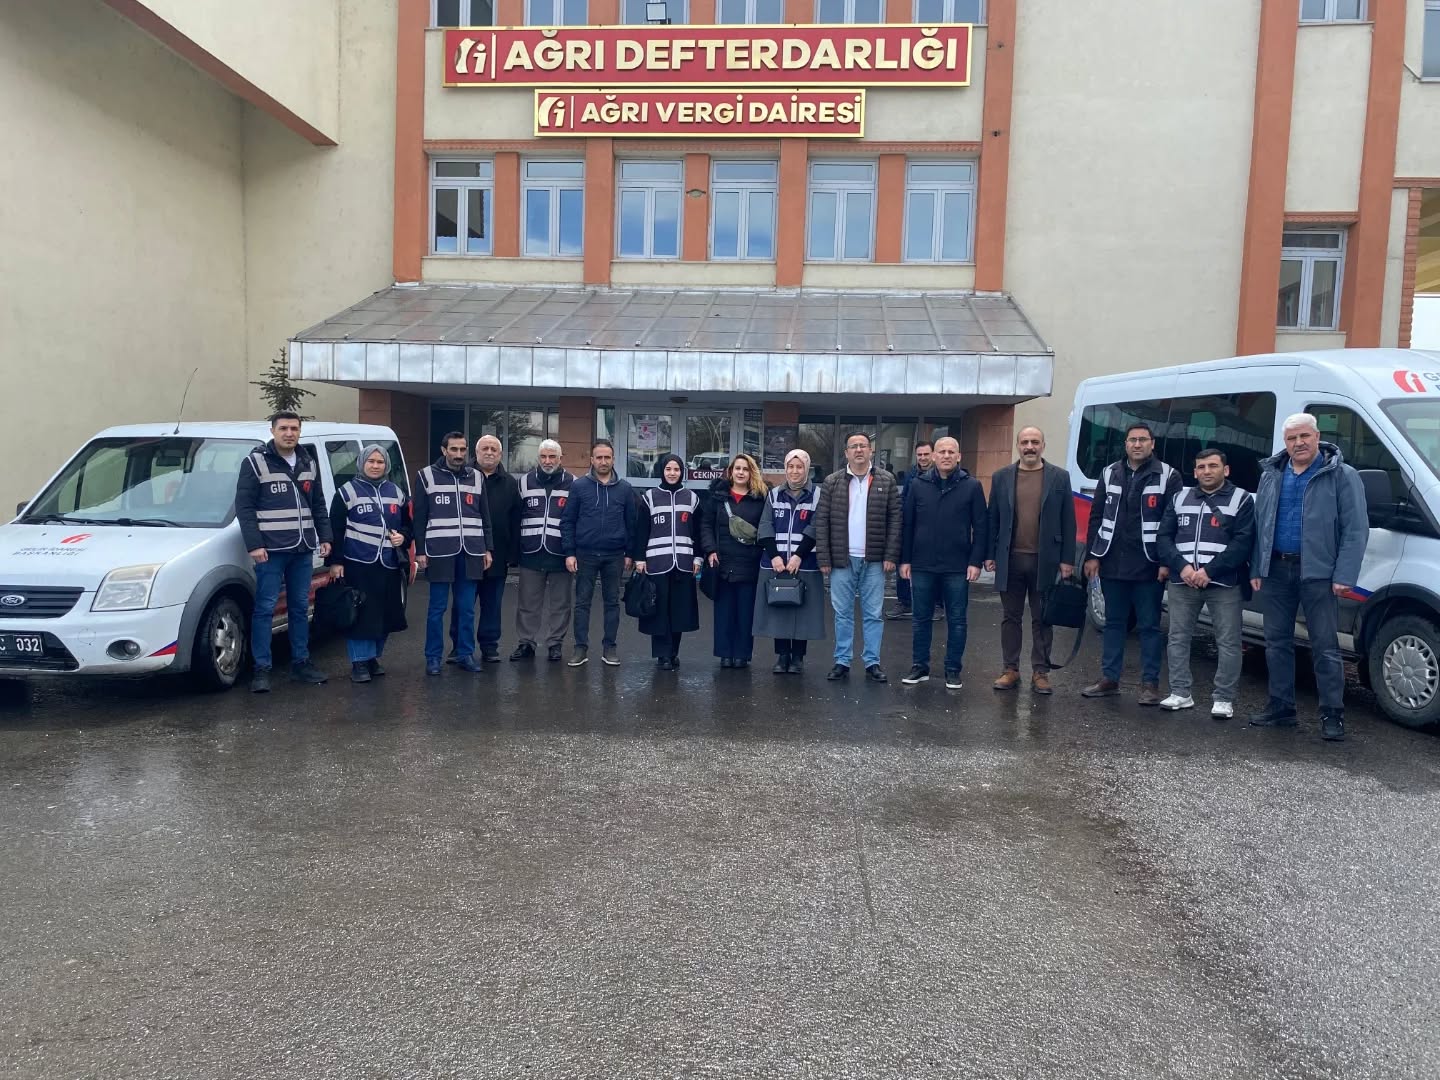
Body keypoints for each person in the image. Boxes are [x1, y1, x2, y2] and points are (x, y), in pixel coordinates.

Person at [1248, 413, 1368, 741]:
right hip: (1276, 570)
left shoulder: (1342, 475)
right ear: (1285, 442)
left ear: (1317, 437)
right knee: (1276, 642)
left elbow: (1356, 530)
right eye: (1292, 438)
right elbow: (1260, 524)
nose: (1298, 443)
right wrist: (1257, 566)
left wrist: (1345, 574)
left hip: (1319, 573)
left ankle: (1332, 714)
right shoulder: (1272, 474)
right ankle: (1281, 708)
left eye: (1304, 436)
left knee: (1325, 646)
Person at [1081, 422, 1182, 703]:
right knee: (1114, 623)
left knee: (1149, 626)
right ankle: (1109, 678)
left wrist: (1166, 562)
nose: (1137, 444)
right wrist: (1092, 555)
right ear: (1125, 444)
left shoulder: (1168, 475)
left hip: (1149, 564)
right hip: (1112, 561)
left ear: (1152, 443)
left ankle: (1150, 685)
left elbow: (1172, 522)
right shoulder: (1109, 472)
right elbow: (1096, 516)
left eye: (1142, 440)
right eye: (1132, 440)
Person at [235, 410, 333, 693]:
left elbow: (318, 504)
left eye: (294, 428)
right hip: (271, 550)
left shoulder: (307, 461)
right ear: (272, 431)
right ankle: (261, 669)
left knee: (300, 607)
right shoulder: (255, 462)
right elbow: (244, 506)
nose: (289, 433)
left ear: (300, 431)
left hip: (302, 549)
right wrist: (254, 544)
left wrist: (325, 536)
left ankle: (301, 663)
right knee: (265, 609)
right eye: (283, 428)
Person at [1156, 448, 1256, 718]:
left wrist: (1209, 571)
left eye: (1213, 466)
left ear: (1226, 470)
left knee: (1229, 642)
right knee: (1177, 638)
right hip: (1183, 581)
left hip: (1224, 583)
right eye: (1201, 467)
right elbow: (1164, 537)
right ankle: (1180, 692)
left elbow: (1243, 543)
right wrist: (1182, 567)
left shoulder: (1242, 499)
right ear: (1195, 471)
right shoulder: (1179, 497)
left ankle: (1224, 698)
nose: (1206, 471)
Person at [984, 426, 1076, 695]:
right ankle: (1010, 669)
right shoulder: (1001, 477)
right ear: (1018, 445)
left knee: (1042, 618)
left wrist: (1067, 559)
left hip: (1045, 560)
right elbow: (993, 518)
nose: (1030, 447)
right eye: (1025, 442)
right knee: (1010, 617)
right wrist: (990, 553)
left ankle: (1040, 672)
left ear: (1043, 445)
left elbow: (1068, 521)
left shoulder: (1059, 477)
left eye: (1035, 442)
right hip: (1010, 559)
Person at [899, 436, 988, 690]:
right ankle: (920, 666)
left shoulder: (972, 486)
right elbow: (908, 524)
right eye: (942, 451)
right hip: (922, 564)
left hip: (957, 566)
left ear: (959, 456)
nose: (946, 455)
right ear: (934, 456)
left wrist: (976, 561)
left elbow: (981, 526)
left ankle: (953, 669)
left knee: (957, 620)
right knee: (920, 619)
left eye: (951, 452)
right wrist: (905, 559)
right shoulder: (918, 485)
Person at [814, 432, 902, 683]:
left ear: (871, 450)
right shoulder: (832, 482)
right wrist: (824, 558)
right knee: (842, 613)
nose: (859, 450)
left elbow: (895, 520)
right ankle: (842, 660)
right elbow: (822, 521)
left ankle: (872, 662)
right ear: (846, 453)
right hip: (842, 559)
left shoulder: (886, 479)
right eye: (854, 446)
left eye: (863, 445)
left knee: (873, 613)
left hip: (874, 559)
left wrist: (890, 555)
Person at [326, 445, 411, 684]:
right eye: (371, 461)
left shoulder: (396, 492)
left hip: (389, 564)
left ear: (386, 465)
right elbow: (335, 529)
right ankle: (359, 663)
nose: (375, 466)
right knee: (362, 615)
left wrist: (404, 537)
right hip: (358, 563)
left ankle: (373, 657)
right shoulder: (347, 492)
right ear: (361, 463)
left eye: (380, 462)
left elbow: (408, 524)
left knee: (385, 615)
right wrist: (336, 562)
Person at [412, 431, 493, 675]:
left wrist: (487, 549)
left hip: (471, 551)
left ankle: (465, 654)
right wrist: (420, 550)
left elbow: (485, 516)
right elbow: (419, 518)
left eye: (462, 449)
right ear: (443, 450)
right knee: (437, 608)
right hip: (439, 551)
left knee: (466, 608)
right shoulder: (426, 476)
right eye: (454, 449)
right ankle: (433, 657)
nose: (459, 454)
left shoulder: (476, 477)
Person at [560, 439, 637, 667]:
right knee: (582, 603)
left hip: (615, 555)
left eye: (607, 457)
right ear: (592, 460)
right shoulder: (579, 487)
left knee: (612, 603)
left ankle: (609, 648)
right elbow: (568, 521)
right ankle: (580, 648)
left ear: (613, 459)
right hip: (585, 554)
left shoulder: (625, 489)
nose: (603, 461)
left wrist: (630, 553)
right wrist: (569, 552)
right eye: (599, 457)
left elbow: (631, 524)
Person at [754, 449, 826, 675]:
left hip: (805, 562)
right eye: (790, 466)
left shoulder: (818, 495)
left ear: (807, 469)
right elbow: (765, 525)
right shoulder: (774, 494)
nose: (795, 471)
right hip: (776, 564)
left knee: (803, 612)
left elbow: (816, 526)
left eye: (799, 467)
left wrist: (798, 555)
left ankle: (798, 658)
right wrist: (775, 555)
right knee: (780, 611)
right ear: (785, 469)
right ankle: (782, 655)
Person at [632, 454, 702, 669]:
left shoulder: (692, 498)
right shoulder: (650, 497)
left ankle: (673, 653)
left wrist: (698, 557)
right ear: (661, 471)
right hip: (656, 563)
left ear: (682, 472)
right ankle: (662, 655)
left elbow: (698, 532)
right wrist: (639, 558)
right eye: (668, 469)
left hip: (683, 563)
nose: (672, 473)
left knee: (679, 612)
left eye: (676, 469)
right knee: (659, 612)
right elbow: (641, 530)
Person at [701, 453, 767, 669]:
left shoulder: (760, 498)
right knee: (724, 612)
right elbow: (706, 525)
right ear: (730, 471)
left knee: (745, 612)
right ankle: (724, 654)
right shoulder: (717, 497)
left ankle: (742, 654)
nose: (741, 472)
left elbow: (766, 528)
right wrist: (710, 550)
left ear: (751, 473)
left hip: (749, 563)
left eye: (745, 469)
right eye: (737, 468)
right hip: (722, 563)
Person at [511, 439, 574, 663]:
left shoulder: (573, 483)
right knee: (527, 603)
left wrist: (573, 551)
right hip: (530, 552)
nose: (548, 461)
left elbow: (577, 519)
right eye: (544, 457)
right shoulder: (524, 482)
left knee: (560, 603)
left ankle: (555, 644)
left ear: (560, 458)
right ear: (538, 458)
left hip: (561, 554)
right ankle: (526, 643)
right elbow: (515, 517)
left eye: (552, 457)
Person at [471, 434, 521, 664]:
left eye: (494, 449)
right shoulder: (464, 478)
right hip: (467, 553)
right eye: (485, 448)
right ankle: (460, 647)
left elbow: (516, 520)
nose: (489, 452)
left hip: (498, 555)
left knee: (492, 605)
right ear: (476, 453)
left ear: (500, 455)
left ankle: (489, 647)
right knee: (464, 605)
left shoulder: (510, 483)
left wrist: (513, 554)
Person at [887, 440, 933, 620]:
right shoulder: (911, 475)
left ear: (933, 455)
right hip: (911, 528)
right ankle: (904, 602)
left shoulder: (940, 475)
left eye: (926, 454)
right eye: (919, 454)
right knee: (904, 565)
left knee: (933, 568)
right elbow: (904, 499)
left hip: (933, 530)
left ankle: (936, 604)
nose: (923, 458)